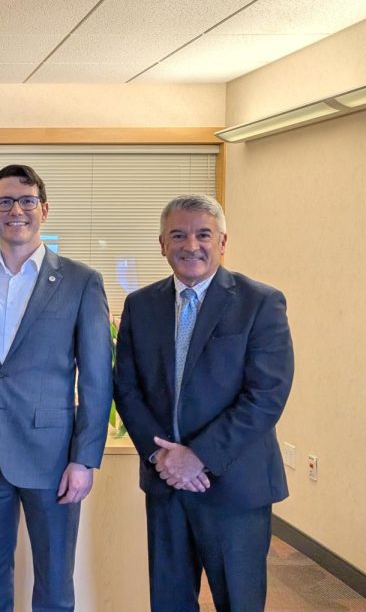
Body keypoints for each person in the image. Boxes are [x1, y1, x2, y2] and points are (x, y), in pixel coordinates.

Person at [0, 164, 113, 612]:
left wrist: (84, 458)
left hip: (52, 455)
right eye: (5, 202)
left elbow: (97, 378)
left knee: (55, 581)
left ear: (44, 209)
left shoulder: (81, 281)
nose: (16, 210)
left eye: (26, 201)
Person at [113, 194, 294, 612]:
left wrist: (199, 457)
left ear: (223, 242)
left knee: (239, 602)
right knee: (170, 601)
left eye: (202, 234)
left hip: (234, 486)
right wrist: (164, 458)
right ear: (162, 244)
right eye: (177, 235)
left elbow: (266, 395)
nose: (190, 245)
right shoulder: (140, 305)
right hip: (166, 484)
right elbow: (127, 387)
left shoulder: (260, 302)